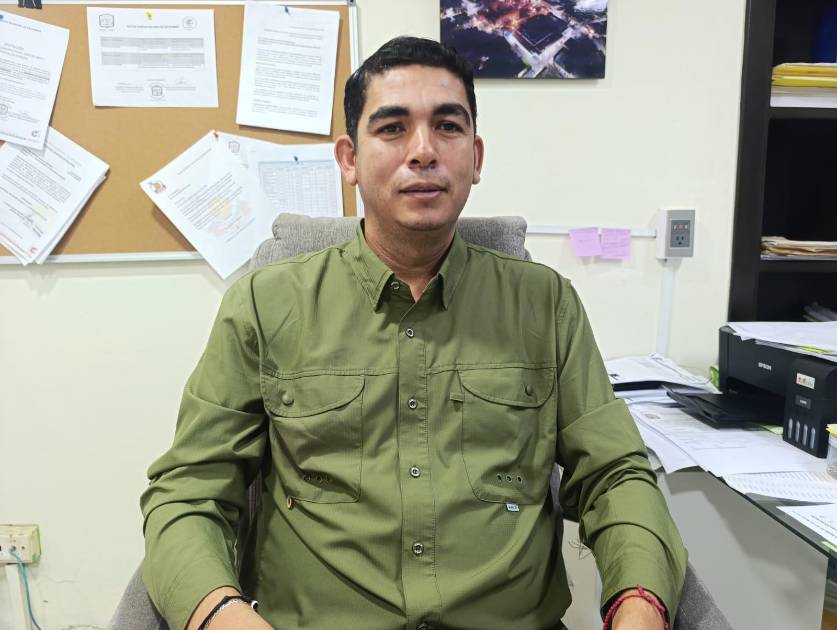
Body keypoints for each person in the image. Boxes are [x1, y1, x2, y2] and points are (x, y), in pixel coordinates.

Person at [141, 36, 687, 630]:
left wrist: (639, 601)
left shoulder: (545, 304)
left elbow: (615, 474)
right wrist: (220, 613)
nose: (423, 151)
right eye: (393, 128)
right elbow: (189, 490)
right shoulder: (264, 305)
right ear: (349, 158)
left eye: (447, 127)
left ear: (476, 156)